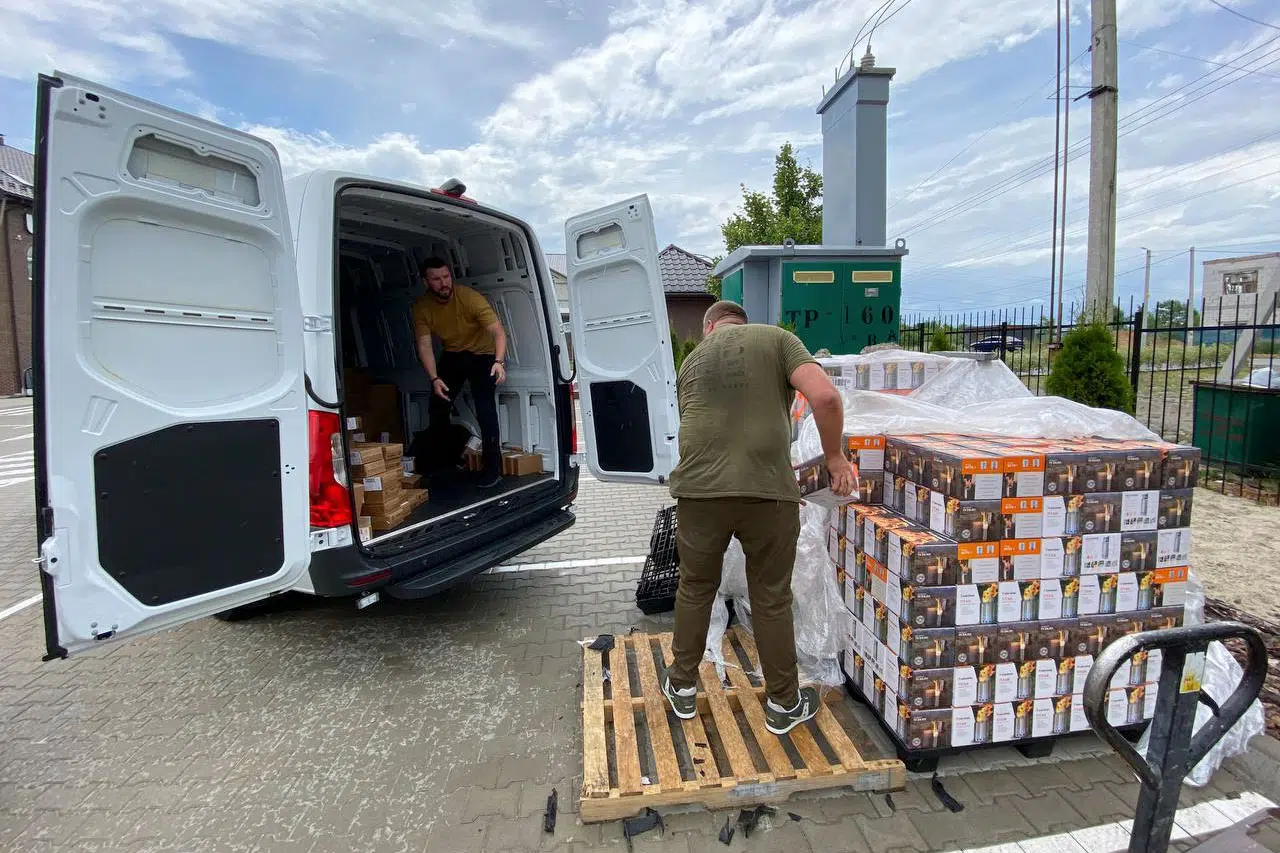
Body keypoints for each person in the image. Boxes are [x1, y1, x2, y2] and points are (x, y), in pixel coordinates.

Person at [661, 301, 855, 735]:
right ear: (742, 324)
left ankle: (682, 688)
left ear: (710, 327)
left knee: (696, 588)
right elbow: (824, 396)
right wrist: (834, 457)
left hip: (699, 492)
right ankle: (784, 704)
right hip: (768, 493)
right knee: (770, 598)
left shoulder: (691, 360)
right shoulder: (778, 340)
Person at [413, 257, 508, 488]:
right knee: (437, 406)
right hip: (453, 354)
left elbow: (498, 332)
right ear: (426, 282)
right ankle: (442, 464)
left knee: (484, 407)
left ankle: (492, 469)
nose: (443, 283)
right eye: (436, 279)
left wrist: (499, 361)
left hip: (483, 355)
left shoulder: (469, 298)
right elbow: (424, 346)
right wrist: (434, 378)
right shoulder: (422, 307)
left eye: (446, 277)